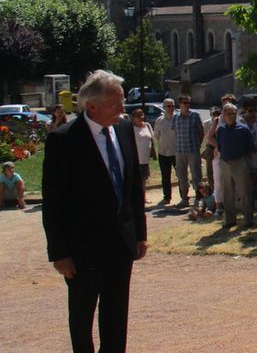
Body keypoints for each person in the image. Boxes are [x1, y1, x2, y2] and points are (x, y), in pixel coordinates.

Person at [42, 69, 147, 353]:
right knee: (82, 318)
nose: (123, 110)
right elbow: (53, 202)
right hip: (82, 250)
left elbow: (134, 186)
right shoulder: (64, 141)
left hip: (120, 244)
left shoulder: (124, 129)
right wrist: (59, 253)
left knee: (116, 317)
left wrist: (139, 233)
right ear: (92, 105)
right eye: (116, 104)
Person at [213, 103, 256, 228]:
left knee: (245, 192)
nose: (231, 116)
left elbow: (250, 148)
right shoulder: (220, 130)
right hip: (225, 163)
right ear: (223, 115)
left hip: (240, 162)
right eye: (228, 114)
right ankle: (230, 220)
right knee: (227, 192)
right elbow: (219, 146)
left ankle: (248, 220)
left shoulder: (243, 129)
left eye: (233, 113)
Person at [171, 93, 205, 208]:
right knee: (181, 175)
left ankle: (198, 199)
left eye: (189, 103)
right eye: (185, 103)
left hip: (193, 150)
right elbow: (175, 133)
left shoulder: (195, 115)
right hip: (180, 151)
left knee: (196, 175)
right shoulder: (175, 117)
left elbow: (201, 132)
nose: (187, 105)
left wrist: (197, 145)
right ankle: (184, 199)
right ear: (180, 104)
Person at [152, 98, 177, 205]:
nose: (171, 108)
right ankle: (167, 197)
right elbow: (156, 135)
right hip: (163, 152)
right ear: (164, 107)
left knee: (180, 175)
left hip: (176, 152)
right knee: (165, 176)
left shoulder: (178, 119)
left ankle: (183, 197)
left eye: (172, 106)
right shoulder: (159, 120)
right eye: (168, 106)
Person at [130, 108, 156, 204]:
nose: (141, 117)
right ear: (133, 118)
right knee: (136, 180)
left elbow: (152, 139)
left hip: (145, 159)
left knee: (144, 179)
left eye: (142, 115)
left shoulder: (147, 126)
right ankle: (135, 198)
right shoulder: (131, 128)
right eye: (138, 116)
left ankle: (143, 197)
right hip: (136, 159)